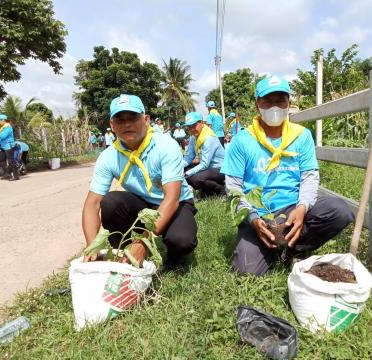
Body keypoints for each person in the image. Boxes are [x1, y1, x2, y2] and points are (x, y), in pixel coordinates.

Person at [221, 75, 354, 276]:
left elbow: (309, 176)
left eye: (280, 100)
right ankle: (270, 246)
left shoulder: (301, 136)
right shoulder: (242, 141)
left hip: (293, 207)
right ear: (258, 104)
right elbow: (232, 187)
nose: (274, 107)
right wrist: (252, 217)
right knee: (246, 272)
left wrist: (302, 208)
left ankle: (293, 249)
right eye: (268, 101)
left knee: (339, 211)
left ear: (288, 103)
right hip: (258, 213)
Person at [82, 94, 198, 266]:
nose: (127, 124)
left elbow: (172, 198)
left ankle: (171, 258)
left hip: (176, 203)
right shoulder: (108, 156)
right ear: (112, 125)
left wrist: (143, 241)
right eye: (120, 120)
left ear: (146, 120)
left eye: (133, 118)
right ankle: (123, 254)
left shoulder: (165, 146)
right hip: (143, 204)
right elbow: (92, 204)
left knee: (181, 240)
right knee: (110, 202)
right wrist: (92, 246)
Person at [182, 112, 226, 198]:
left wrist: (188, 173)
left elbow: (205, 164)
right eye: (189, 127)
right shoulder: (193, 137)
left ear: (202, 123)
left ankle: (221, 190)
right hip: (208, 168)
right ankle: (206, 191)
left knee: (195, 178)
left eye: (194, 126)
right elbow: (189, 156)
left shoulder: (209, 138)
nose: (191, 129)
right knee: (182, 170)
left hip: (219, 169)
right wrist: (177, 167)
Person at [0, 114, 19, 181]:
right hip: (4, 147)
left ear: (3, 120)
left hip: (9, 146)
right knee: (1, 160)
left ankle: (16, 176)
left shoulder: (8, 127)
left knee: (11, 162)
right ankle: (7, 174)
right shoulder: (3, 128)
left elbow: (3, 136)